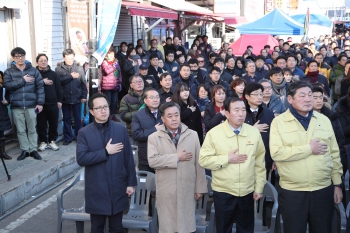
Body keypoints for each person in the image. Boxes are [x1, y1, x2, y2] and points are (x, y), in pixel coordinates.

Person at [270, 81, 343, 233]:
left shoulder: (323, 120)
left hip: (323, 189)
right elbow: (277, 153)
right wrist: (308, 148)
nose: (308, 99)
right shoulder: (279, 122)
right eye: (302, 95)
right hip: (293, 192)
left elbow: (335, 154)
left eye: (310, 95)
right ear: (290, 99)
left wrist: (337, 184)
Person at [199, 97, 266, 233]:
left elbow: (260, 163)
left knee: (246, 228)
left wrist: (258, 187)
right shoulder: (214, 133)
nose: (241, 114)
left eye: (243, 110)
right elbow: (204, 160)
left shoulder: (253, 132)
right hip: (224, 191)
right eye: (236, 110)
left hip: (247, 191)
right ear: (227, 113)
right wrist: (226, 159)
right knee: (224, 228)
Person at [76, 93, 137, 233]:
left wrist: (130, 183)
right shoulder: (84, 133)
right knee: (96, 228)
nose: (103, 111)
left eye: (105, 107)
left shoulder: (120, 129)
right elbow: (82, 159)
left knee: (117, 228)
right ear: (91, 111)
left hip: (118, 186)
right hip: (97, 188)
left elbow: (128, 158)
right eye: (99, 108)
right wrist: (105, 152)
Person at [147, 102, 208, 233]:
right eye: (170, 116)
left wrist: (200, 187)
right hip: (166, 189)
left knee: (186, 226)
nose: (174, 118)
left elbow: (199, 163)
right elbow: (152, 161)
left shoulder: (192, 134)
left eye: (176, 115)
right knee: (168, 226)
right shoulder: (154, 137)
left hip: (187, 187)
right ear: (162, 119)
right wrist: (176, 157)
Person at [4, 47, 45, 160]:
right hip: (16, 106)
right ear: (13, 58)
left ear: (25, 56)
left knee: (32, 128)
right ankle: (25, 150)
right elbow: (7, 86)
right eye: (17, 56)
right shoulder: (9, 72)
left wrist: (40, 103)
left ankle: (33, 149)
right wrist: (23, 80)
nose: (20, 58)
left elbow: (40, 87)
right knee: (20, 129)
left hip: (32, 105)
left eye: (22, 55)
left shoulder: (33, 71)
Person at [312, 84, 347, 173]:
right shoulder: (304, 118)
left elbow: (339, 139)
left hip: (330, 159)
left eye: (321, 97)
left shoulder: (331, 116)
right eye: (315, 98)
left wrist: (342, 162)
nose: (319, 101)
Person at [55, 48, 87, 146]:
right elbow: (58, 82)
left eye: (72, 58)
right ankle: (68, 137)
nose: (70, 60)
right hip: (64, 98)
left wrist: (84, 95)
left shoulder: (79, 68)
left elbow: (83, 83)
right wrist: (71, 76)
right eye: (68, 58)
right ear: (63, 58)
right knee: (66, 119)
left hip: (77, 97)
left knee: (78, 119)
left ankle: (78, 136)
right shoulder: (58, 69)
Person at [244, 83, 275, 172]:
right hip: (246, 156)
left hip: (265, 156)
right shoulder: (241, 112)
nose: (259, 97)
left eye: (261, 94)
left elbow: (273, 136)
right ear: (247, 96)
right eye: (256, 94)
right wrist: (253, 130)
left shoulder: (269, 113)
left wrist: (274, 159)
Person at [132, 88, 162, 173]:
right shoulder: (138, 115)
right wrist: (154, 129)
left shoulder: (165, 113)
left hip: (163, 156)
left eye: (157, 97)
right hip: (146, 157)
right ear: (145, 100)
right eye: (152, 97)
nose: (155, 100)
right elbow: (136, 135)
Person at [36, 54, 62, 152]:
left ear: (47, 61)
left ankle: (52, 141)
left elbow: (58, 88)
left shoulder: (53, 74)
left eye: (45, 60)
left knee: (53, 123)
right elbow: (32, 86)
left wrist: (59, 101)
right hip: (39, 104)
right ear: (37, 62)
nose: (43, 62)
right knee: (41, 124)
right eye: (41, 60)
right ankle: (43, 141)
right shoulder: (35, 74)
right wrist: (42, 81)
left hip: (53, 103)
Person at [120, 74, 145, 139]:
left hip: (148, 129)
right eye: (136, 82)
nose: (139, 83)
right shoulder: (126, 99)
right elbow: (123, 116)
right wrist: (139, 113)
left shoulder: (149, 95)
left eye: (140, 81)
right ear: (131, 85)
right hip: (133, 130)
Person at [100, 47, 122, 120]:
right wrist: (113, 67)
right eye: (109, 54)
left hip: (115, 85)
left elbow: (119, 73)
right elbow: (106, 71)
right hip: (107, 86)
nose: (111, 55)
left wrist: (120, 83)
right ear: (106, 55)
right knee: (108, 102)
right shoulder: (104, 62)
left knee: (114, 102)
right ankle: (107, 116)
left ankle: (112, 115)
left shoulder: (116, 62)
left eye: (112, 54)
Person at [0, 71, 12, 160]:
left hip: (2, 111)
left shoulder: (4, 88)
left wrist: (7, 101)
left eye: (0, 77)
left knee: (1, 133)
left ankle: (2, 152)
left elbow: (7, 98)